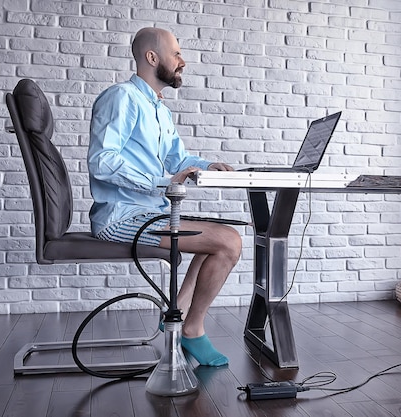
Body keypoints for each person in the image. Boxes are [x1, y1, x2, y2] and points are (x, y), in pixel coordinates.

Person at [87, 27, 242, 367]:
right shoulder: (122, 98)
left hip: (147, 214)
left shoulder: (157, 109)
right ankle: (191, 330)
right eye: (176, 53)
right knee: (229, 242)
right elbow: (102, 161)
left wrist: (208, 167)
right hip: (121, 218)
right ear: (152, 57)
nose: (182, 61)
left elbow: (177, 160)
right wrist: (162, 182)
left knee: (216, 233)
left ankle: (179, 313)